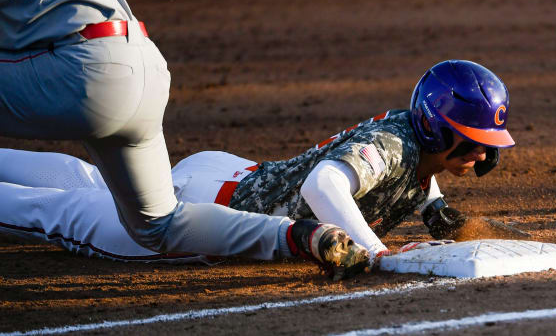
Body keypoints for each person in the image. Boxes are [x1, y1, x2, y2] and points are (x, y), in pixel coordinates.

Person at [0, 0, 368, 279]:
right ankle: (298, 236)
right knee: (157, 225)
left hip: (82, 72)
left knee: (75, 210)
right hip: (141, 63)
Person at [0, 60, 515, 267]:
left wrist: (438, 215)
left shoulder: (409, 144)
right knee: (60, 210)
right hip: (203, 214)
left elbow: (406, 175)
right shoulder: (394, 144)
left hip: (224, 176)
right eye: (470, 140)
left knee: (90, 182)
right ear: (435, 126)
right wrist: (377, 252)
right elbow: (322, 185)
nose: (481, 153)